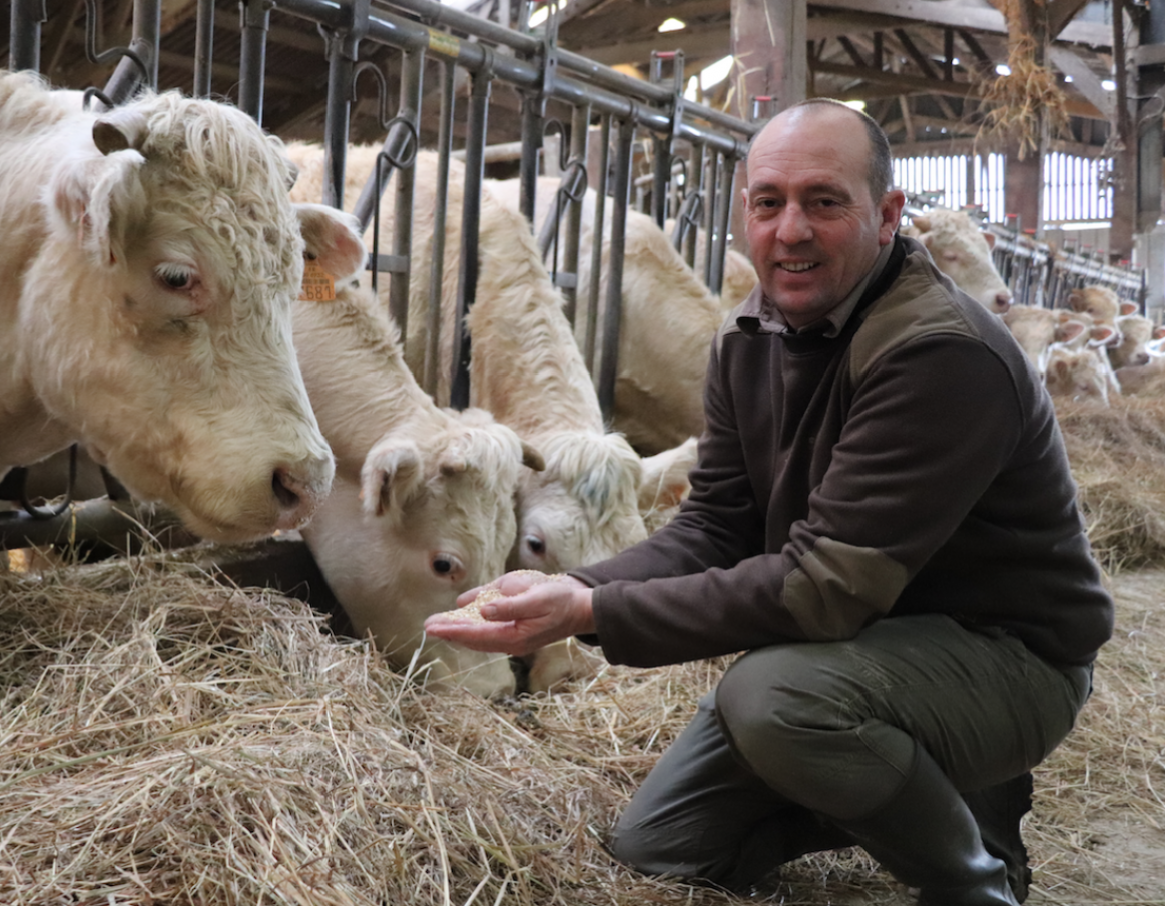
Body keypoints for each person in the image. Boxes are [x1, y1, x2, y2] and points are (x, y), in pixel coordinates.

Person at [424, 98, 1113, 906]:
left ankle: (974, 878)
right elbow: (718, 521)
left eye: (824, 201)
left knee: (772, 701)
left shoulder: (937, 354)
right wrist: (582, 586)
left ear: (887, 215)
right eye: (769, 201)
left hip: (1003, 657)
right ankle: (919, 792)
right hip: (862, 654)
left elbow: (823, 590)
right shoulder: (751, 334)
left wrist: (593, 618)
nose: (791, 231)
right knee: (659, 847)